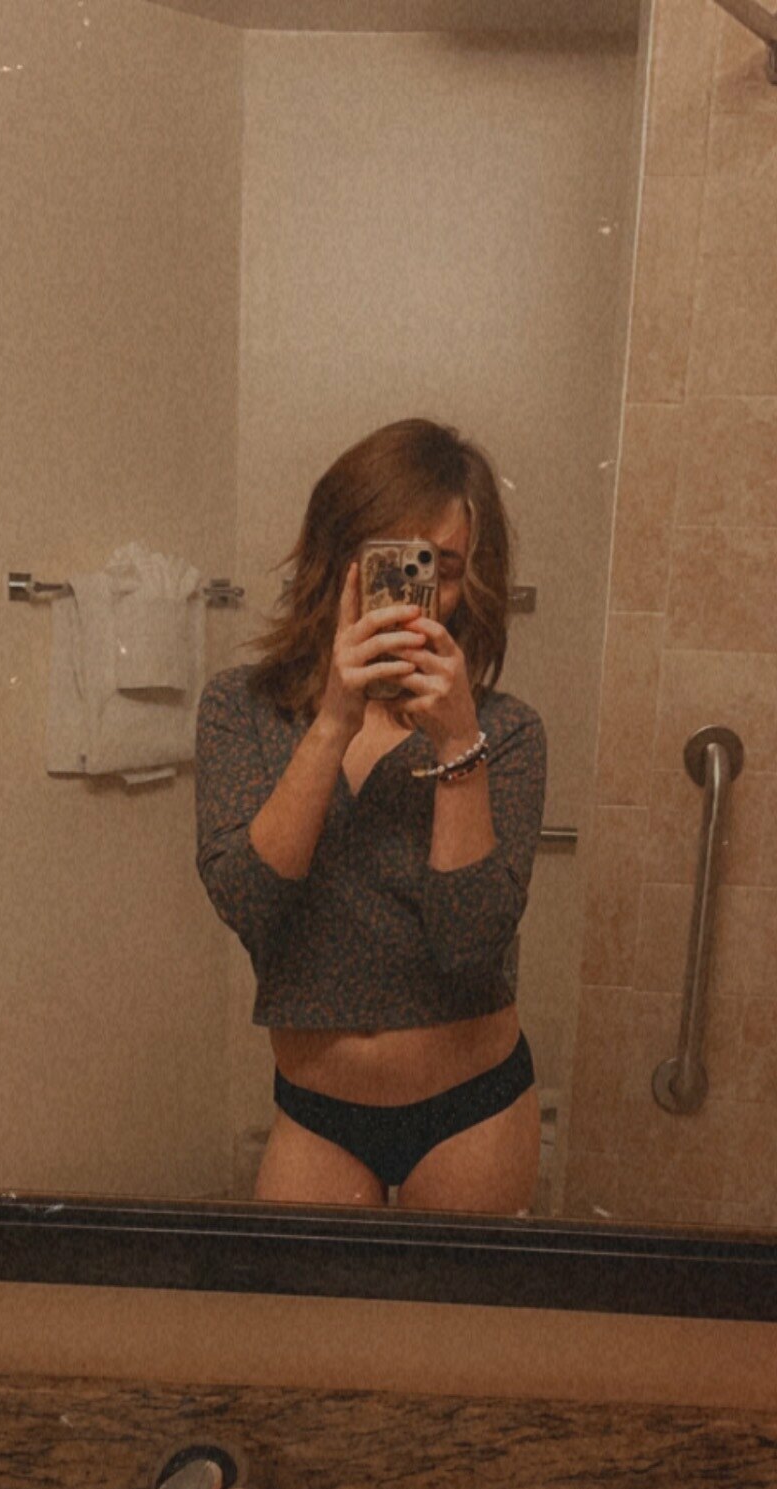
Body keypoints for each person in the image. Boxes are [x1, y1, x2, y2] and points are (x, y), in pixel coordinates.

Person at [195, 418, 547, 1214]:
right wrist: (331, 723)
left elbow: (469, 944)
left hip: (473, 1107)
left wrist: (458, 743)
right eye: (390, 561)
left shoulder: (506, 732)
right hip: (315, 1111)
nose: (416, 594)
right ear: (336, 557)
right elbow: (248, 901)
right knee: (304, 1300)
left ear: (470, 583)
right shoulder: (240, 709)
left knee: (455, 1305)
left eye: (441, 570)